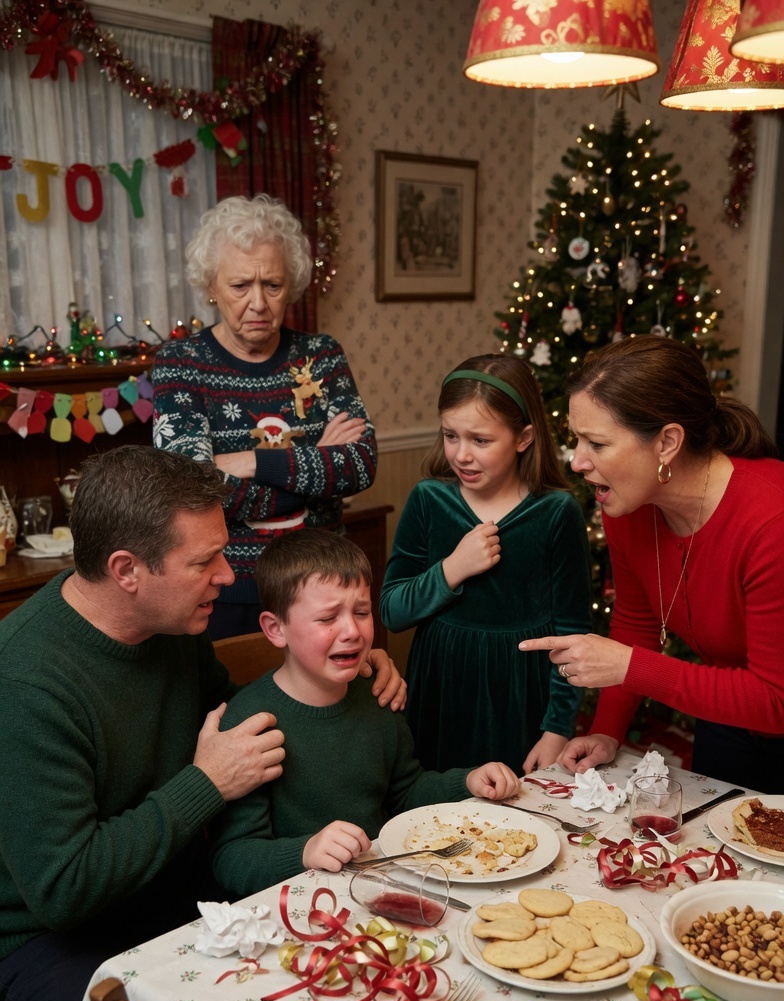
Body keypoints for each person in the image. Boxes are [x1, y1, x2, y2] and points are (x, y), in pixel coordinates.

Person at [0, 447, 403, 1001]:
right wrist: (205, 784)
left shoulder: (170, 628)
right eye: (204, 560)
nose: (226, 575)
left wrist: (344, 669)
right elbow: (64, 889)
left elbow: (252, 709)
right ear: (127, 569)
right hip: (46, 939)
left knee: (334, 993)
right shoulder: (27, 683)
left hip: (171, 889)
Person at [520, 335, 784, 791]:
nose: (578, 461)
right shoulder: (628, 505)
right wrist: (607, 730)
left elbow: (776, 700)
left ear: (667, 442)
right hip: (727, 715)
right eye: (575, 439)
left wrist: (630, 666)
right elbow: (638, 622)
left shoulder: (771, 522)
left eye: (597, 443)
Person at [210, 529, 521, 895]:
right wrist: (306, 851)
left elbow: (405, 792)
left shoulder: (377, 695)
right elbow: (231, 860)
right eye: (328, 619)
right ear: (276, 629)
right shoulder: (248, 726)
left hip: (379, 888)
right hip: (293, 907)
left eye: (361, 612)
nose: (352, 631)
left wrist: (466, 782)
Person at [152, 193, 377, 640]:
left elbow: (360, 464)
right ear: (211, 287)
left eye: (272, 285)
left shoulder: (322, 356)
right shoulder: (182, 364)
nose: (258, 302)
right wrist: (313, 476)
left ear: (289, 286)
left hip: (324, 591)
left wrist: (252, 462)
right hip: (227, 592)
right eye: (240, 286)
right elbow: (190, 490)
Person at [379, 355, 592, 775]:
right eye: (450, 435)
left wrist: (556, 729)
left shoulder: (556, 513)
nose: (461, 454)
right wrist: (451, 569)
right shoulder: (429, 501)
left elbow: (574, 634)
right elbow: (392, 610)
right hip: (442, 694)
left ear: (524, 438)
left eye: (480, 440)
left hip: (521, 697)